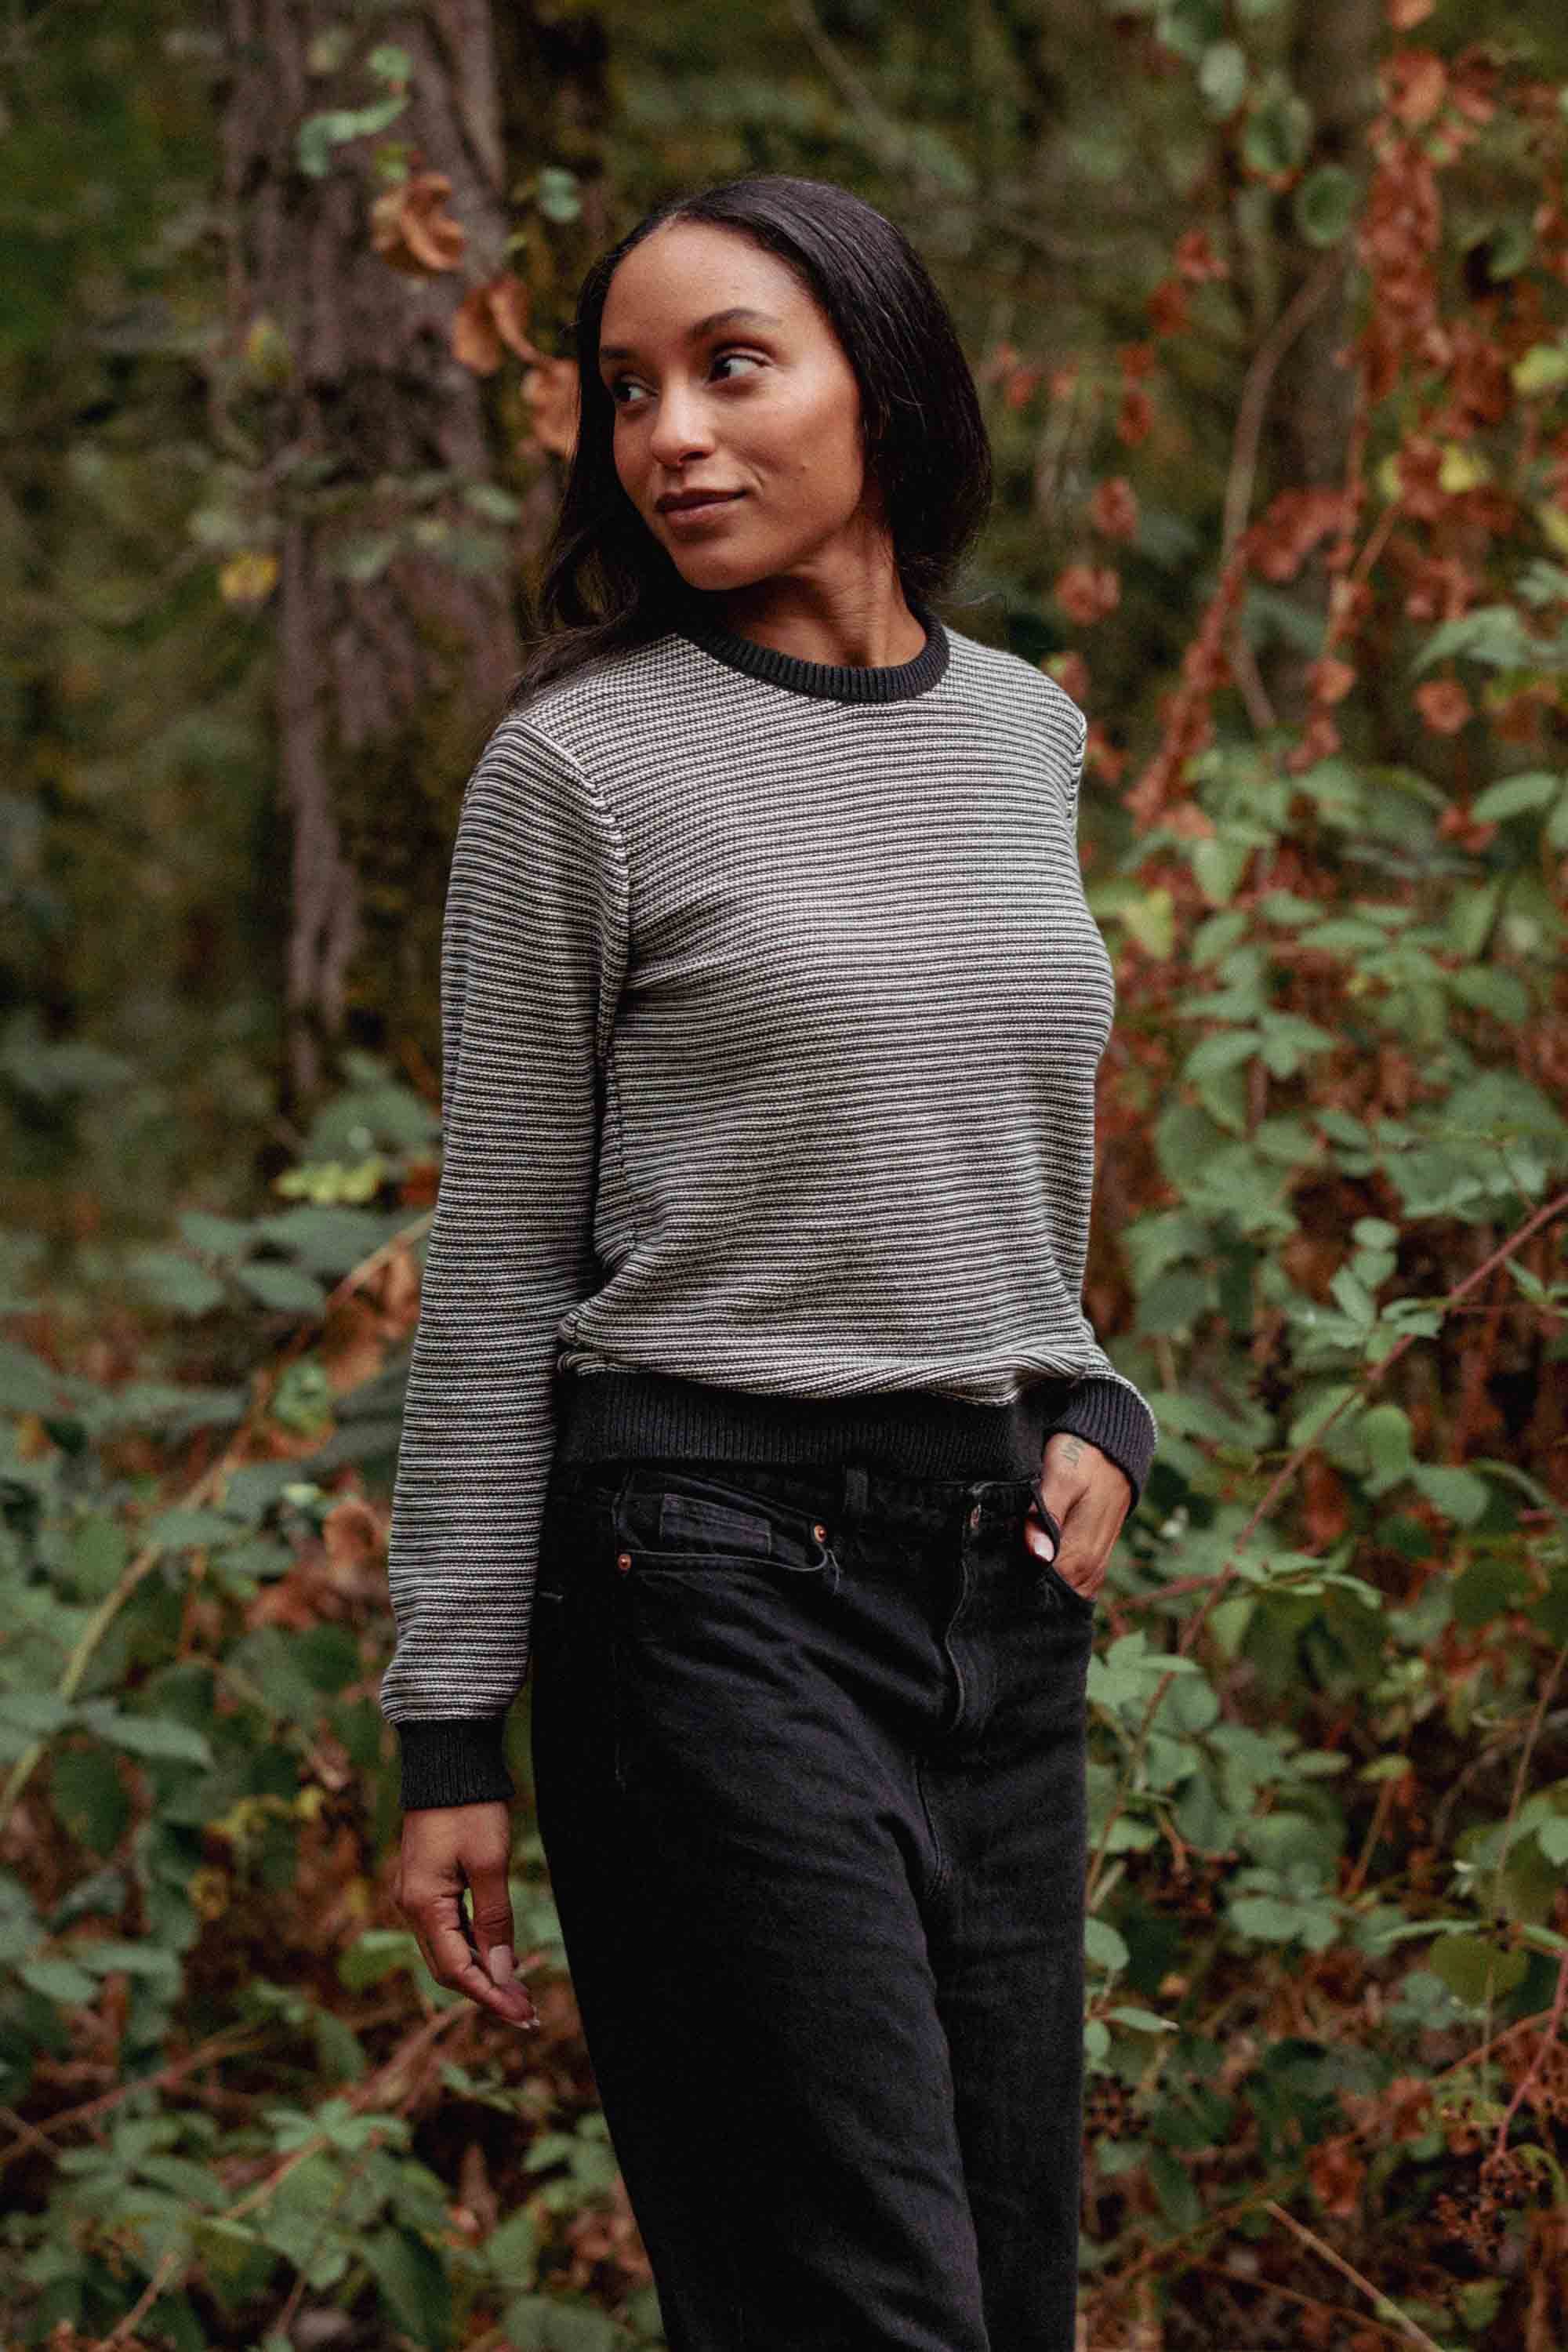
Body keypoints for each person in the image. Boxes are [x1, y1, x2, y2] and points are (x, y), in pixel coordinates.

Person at [383, 170, 1158, 2352]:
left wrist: (1089, 1389)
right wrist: (451, 1729)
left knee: (1008, 2302)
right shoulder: (583, 769)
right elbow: (502, 1246)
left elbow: (992, 1130)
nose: (672, 437)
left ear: (885, 392)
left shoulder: (1024, 735)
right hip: (703, 1584)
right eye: (629, 392)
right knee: (857, 2310)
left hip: (995, 1591)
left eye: (733, 367)